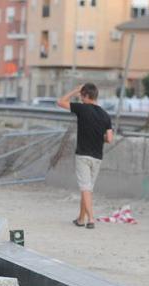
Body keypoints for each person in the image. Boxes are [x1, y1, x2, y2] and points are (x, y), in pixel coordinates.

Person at [57, 83, 113, 229]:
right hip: (97, 156)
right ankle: (81, 219)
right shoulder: (105, 115)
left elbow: (60, 102)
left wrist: (74, 90)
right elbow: (109, 138)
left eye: (82, 96)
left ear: (86, 96)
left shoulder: (82, 108)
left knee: (85, 188)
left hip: (83, 155)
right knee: (87, 189)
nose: (80, 99)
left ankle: (91, 219)